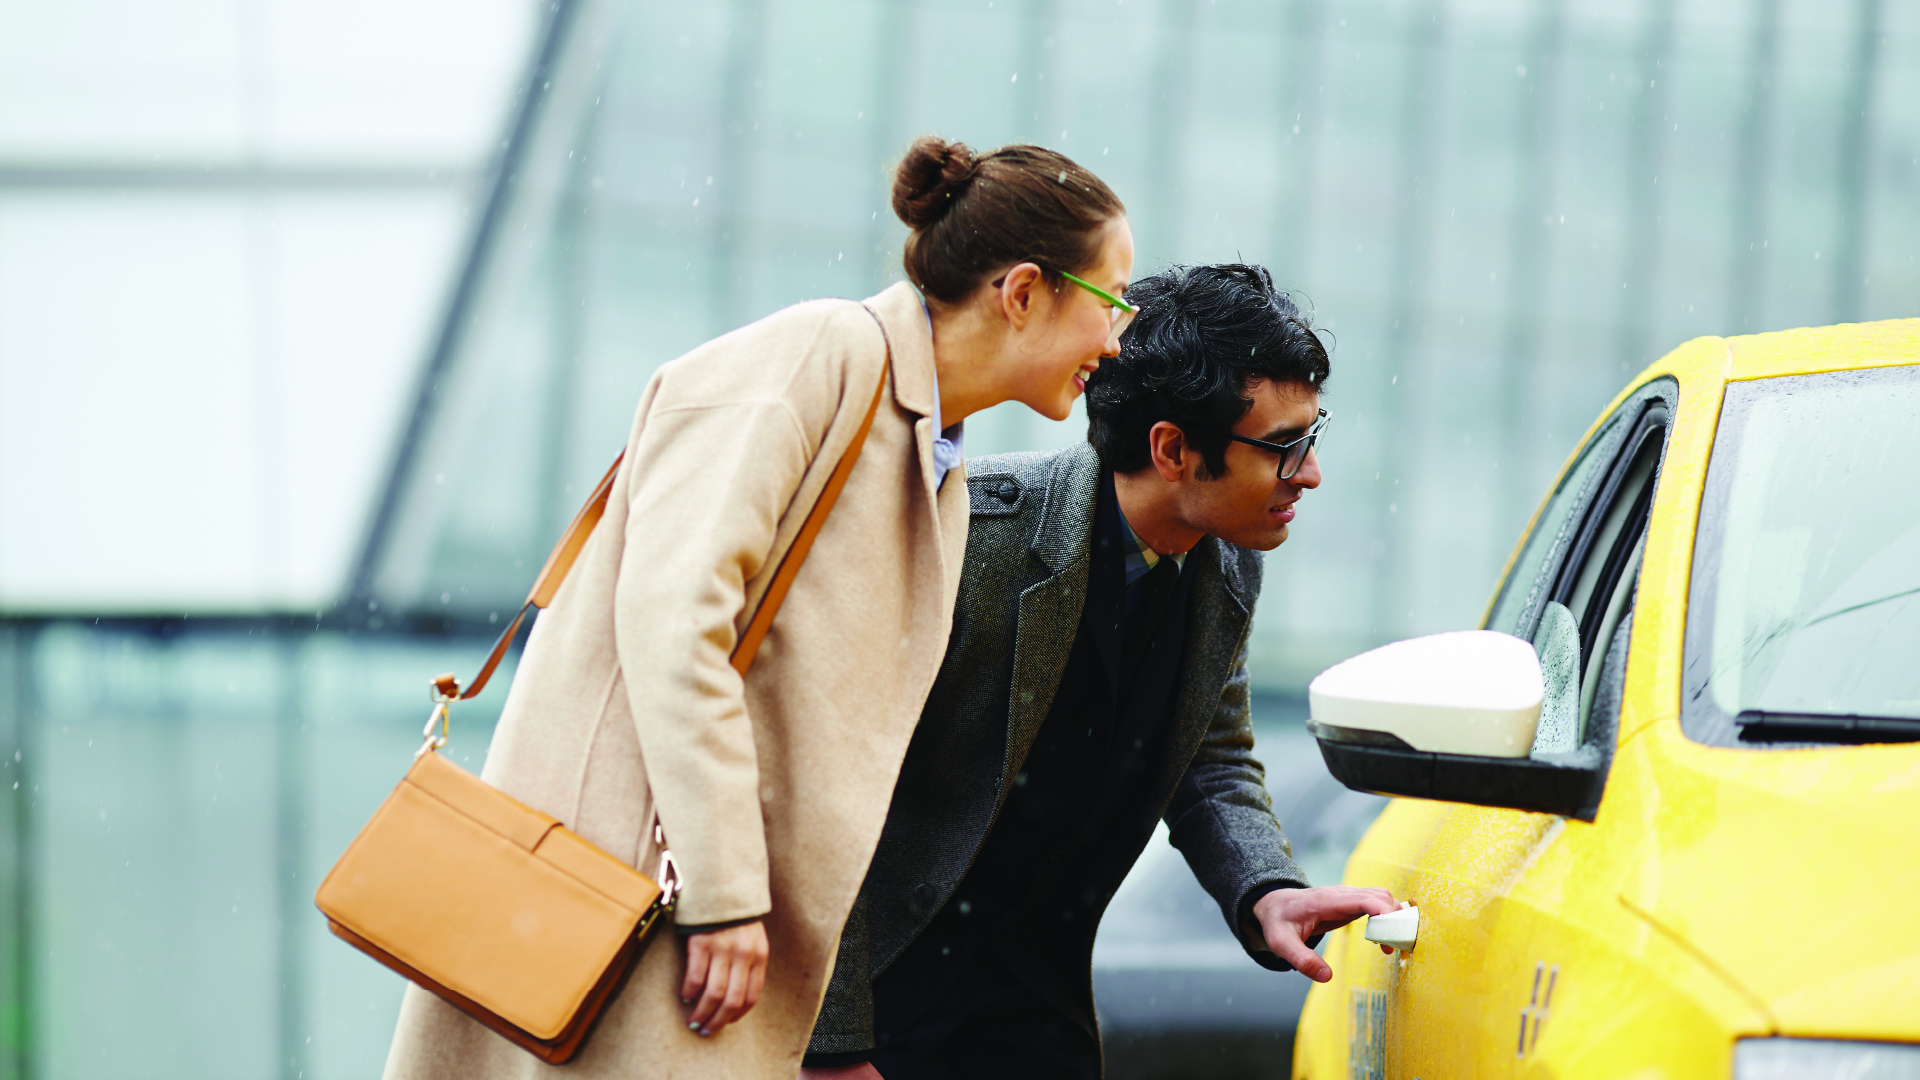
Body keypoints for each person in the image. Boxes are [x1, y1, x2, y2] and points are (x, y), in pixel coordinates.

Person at [382, 137, 1136, 1079]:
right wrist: (729, 891)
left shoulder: (931, 450)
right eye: (1112, 302)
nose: (1119, 341)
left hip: (692, 929)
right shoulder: (820, 358)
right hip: (638, 905)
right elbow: (673, 621)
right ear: (1023, 292)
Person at [800, 264, 1400, 1079]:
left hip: (1038, 1018)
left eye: (1313, 437)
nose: (1311, 474)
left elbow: (1211, 758)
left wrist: (1266, 889)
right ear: (1172, 449)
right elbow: (827, 785)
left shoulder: (1227, 561)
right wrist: (831, 1047)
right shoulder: (974, 532)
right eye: (1285, 447)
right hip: (875, 1006)